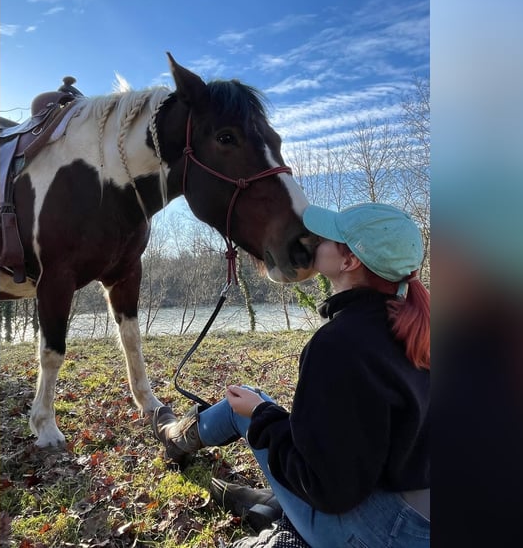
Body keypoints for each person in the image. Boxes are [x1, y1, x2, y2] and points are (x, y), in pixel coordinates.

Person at [152, 202, 431, 547]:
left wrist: (261, 416)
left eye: (328, 237)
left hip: (380, 534)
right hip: (419, 517)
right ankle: (193, 446)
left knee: (249, 407)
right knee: (256, 405)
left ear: (349, 261)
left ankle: (175, 438)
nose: (315, 241)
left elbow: (330, 489)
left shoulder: (339, 346)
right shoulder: (419, 330)